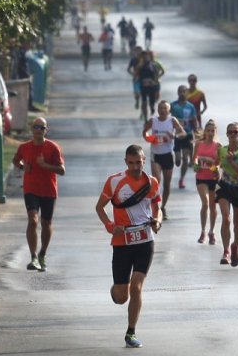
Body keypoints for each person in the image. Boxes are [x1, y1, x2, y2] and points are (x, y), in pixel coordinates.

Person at [95, 145, 163, 348]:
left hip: (145, 241)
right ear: (126, 162)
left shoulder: (151, 182)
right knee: (121, 296)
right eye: (131, 162)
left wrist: (157, 220)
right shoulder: (114, 181)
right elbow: (99, 207)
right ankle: (116, 290)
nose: (135, 166)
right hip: (122, 243)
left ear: (144, 160)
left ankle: (131, 332)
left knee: (137, 286)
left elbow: (157, 206)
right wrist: (110, 225)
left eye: (139, 162)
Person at [12, 117, 66, 272]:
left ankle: (43, 253)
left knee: (46, 223)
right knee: (33, 220)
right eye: (36, 127)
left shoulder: (52, 148)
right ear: (31, 129)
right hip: (31, 189)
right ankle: (33, 257)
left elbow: (62, 170)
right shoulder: (24, 147)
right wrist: (23, 168)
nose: (38, 130)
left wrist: (45, 165)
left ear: (45, 130)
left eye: (42, 128)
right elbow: (16, 161)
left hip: (49, 190)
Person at [142, 100, 186, 219]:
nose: (163, 110)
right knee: (156, 182)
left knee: (167, 184)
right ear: (158, 109)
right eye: (161, 108)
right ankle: (155, 207)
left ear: (169, 110)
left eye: (165, 108)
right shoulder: (153, 120)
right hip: (155, 155)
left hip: (168, 155)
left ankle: (163, 207)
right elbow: (144, 132)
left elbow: (183, 133)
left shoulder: (172, 120)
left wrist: (174, 136)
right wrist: (150, 139)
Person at [216, 122, 238, 267]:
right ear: (226, 134)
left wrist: (232, 162)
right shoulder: (222, 150)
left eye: (235, 132)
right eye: (229, 132)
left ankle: (235, 245)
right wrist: (211, 170)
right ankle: (226, 251)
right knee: (225, 218)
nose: (232, 135)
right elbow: (217, 165)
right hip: (224, 186)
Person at [192, 119, 221, 244]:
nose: (210, 133)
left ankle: (211, 231)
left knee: (213, 205)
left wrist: (210, 162)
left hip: (213, 178)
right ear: (205, 131)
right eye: (208, 130)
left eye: (212, 131)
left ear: (215, 132)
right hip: (201, 177)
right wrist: (196, 165)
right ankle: (203, 231)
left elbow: (218, 166)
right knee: (205, 203)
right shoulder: (199, 144)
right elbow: (194, 161)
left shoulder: (218, 146)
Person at [170, 85, 198, 189]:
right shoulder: (173, 105)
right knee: (178, 161)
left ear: (187, 93)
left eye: (184, 91)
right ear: (178, 93)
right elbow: (167, 118)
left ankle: (181, 179)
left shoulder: (190, 106)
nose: (182, 93)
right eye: (180, 91)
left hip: (188, 134)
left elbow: (194, 120)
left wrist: (196, 134)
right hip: (177, 135)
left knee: (185, 159)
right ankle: (178, 158)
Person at [138, 50, 160, 121]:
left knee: (151, 103)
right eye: (143, 56)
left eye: (146, 56)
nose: (145, 58)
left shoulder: (153, 65)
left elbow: (157, 74)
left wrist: (154, 82)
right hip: (143, 86)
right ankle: (145, 118)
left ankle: (152, 109)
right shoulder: (140, 66)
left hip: (151, 87)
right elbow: (136, 75)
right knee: (144, 102)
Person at [127, 46, 143, 111]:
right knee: (137, 93)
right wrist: (133, 74)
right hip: (136, 78)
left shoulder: (144, 60)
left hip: (144, 78)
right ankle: (137, 101)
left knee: (143, 94)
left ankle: (143, 109)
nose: (138, 52)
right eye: (137, 51)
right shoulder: (133, 60)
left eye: (139, 51)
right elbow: (128, 69)